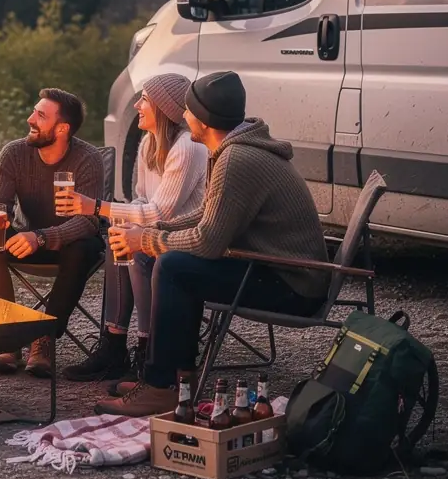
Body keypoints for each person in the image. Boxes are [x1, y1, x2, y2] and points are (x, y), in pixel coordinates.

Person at [94, 70, 329, 417]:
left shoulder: (237, 159)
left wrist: (146, 239)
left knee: (174, 267)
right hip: (277, 268)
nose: (183, 115)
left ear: (204, 120)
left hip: (294, 285)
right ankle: (178, 382)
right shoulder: (233, 149)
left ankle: (162, 386)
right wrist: (154, 229)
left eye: (188, 110)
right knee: (178, 265)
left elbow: (207, 241)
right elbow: (207, 214)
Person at [58, 73, 207, 383]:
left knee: (137, 251)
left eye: (145, 100)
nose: (137, 105)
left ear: (163, 108)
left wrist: (97, 207)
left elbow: (159, 212)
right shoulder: (148, 143)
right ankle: (114, 346)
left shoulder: (187, 147)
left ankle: (148, 349)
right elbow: (141, 198)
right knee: (117, 238)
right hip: (158, 230)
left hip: (186, 237)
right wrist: (121, 220)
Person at [0, 89, 104, 380]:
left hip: (68, 244)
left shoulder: (88, 159)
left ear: (62, 129)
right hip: (25, 239)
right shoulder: (14, 153)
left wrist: (42, 237)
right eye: (34, 111)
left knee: (83, 247)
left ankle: (44, 338)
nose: (30, 119)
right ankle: (7, 334)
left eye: (41, 115)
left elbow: (88, 222)